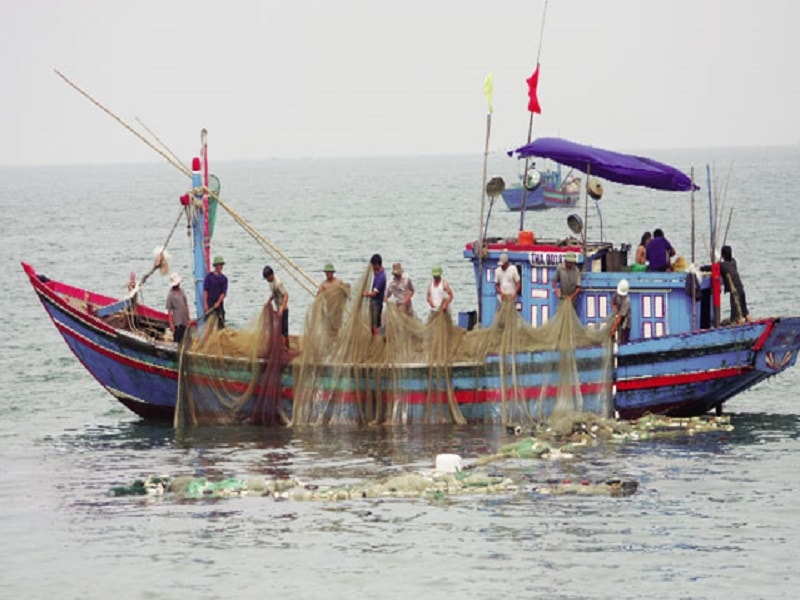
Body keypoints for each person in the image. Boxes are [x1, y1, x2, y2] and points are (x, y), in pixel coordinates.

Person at [720, 245, 750, 324]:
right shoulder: (733, 262)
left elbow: (712, 267)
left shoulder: (722, 265)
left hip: (734, 291)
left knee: (736, 315)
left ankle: (740, 326)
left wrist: (700, 268)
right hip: (741, 288)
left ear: (722, 255)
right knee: (744, 310)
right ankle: (748, 320)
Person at [263, 265, 289, 347]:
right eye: (266, 278)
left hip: (283, 310)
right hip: (278, 309)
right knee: (279, 330)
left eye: (268, 277)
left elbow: (286, 295)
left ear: (271, 275)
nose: (267, 280)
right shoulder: (271, 283)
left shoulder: (278, 283)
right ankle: (283, 347)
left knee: (284, 332)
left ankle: (286, 348)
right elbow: (274, 294)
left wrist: (281, 309)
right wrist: (268, 301)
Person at [362, 253, 387, 336]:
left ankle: (378, 343)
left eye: (373, 265)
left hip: (377, 304)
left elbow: (374, 294)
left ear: (377, 264)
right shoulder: (378, 274)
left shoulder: (381, 277)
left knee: (375, 326)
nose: (372, 267)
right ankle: (377, 340)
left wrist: (366, 294)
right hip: (375, 303)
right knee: (375, 325)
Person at [203, 255, 228, 328]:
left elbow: (223, 293)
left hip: (219, 305)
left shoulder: (224, 279)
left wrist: (218, 302)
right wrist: (205, 304)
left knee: (221, 323)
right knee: (209, 324)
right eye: (219, 265)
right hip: (210, 303)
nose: (221, 266)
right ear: (215, 266)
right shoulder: (209, 277)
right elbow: (205, 291)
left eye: (221, 265)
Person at [166, 272, 191, 344]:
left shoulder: (182, 291)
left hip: (184, 320)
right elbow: (169, 310)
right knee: (177, 340)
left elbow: (186, 305)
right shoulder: (170, 295)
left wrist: (188, 318)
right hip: (177, 322)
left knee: (186, 339)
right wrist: (171, 324)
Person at [610, 278, 631, 344]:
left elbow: (620, 317)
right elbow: (612, 301)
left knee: (623, 337)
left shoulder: (627, 300)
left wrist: (613, 329)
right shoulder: (617, 294)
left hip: (625, 319)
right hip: (618, 316)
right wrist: (614, 307)